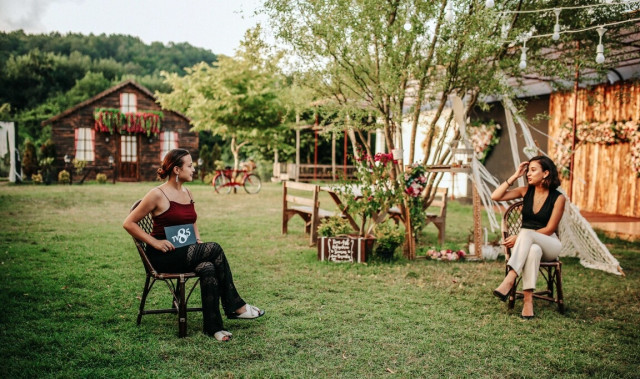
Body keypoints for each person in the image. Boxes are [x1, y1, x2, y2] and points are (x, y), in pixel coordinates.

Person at [123, 148, 264, 341]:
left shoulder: (187, 192)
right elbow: (128, 223)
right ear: (176, 170)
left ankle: (214, 328)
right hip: (164, 256)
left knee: (208, 267)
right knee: (214, 248)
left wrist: (197, 239)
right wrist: (154, 242)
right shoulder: (156, 194)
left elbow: (192, 220)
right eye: (189, 166)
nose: (193, 169)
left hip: (186, 251)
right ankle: (235, 306)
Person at [490, 156, 566, 319]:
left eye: (533, 170)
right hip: (530, 246)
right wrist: (515, 176)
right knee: (533, 250)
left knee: (527, 235)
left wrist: (520, 237)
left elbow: (550, 228)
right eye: (527, 171)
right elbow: (495, 196)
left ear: (545, 173)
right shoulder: (525, 191)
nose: (528, 174)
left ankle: (510, 278)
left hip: (550, 244)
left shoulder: (559, 198)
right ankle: (527, 302)